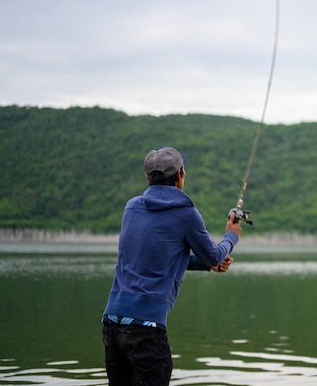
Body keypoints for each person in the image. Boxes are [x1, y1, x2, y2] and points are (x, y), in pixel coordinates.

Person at [101, 146, 242, 386]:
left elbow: (158, 257)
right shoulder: (186, 214)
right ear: (180, 176)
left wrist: (207, 266)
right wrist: (231, 236)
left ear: (148, 178)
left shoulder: (131, 207)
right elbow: (214, 254)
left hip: (112, 323)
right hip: (146, 330)